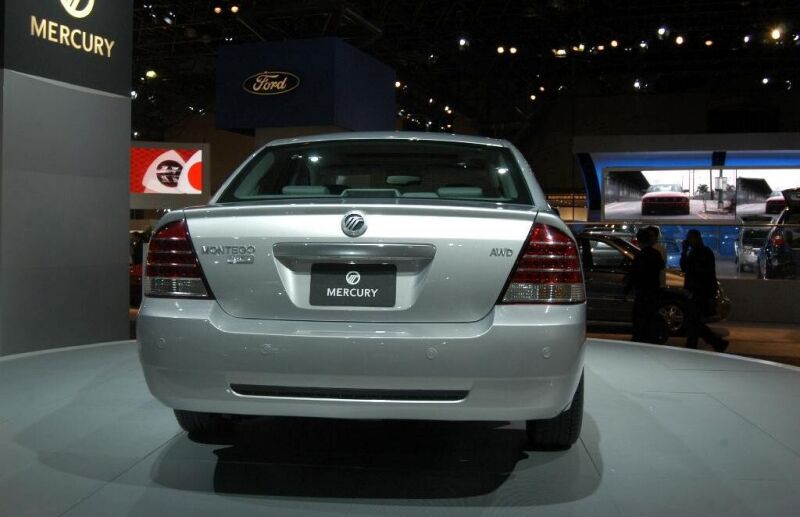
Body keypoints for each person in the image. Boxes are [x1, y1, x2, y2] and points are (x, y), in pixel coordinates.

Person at [680, 229, 729, 352]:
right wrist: (684, 251)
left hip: (699, 292)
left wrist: (710, 294)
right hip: (695, 292)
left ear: (697, 238)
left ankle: (698, 344)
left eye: (690, 239)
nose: (688, 241)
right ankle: (714, 343)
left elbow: (707, 274)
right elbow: (684, 267)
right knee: (694, 321)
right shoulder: (693, 252)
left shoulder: (704, 253)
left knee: (694, 320)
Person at [625, 228, 665, 343]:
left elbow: (634, 275)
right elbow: (661, 268)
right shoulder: (656, 254)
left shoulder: (640, 255)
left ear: (639, 241)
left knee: (639, 318)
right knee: (650, 316)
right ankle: (650, 338)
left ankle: (639, 338)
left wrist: (627, 289)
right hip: (653, 291)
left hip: (642, 292)